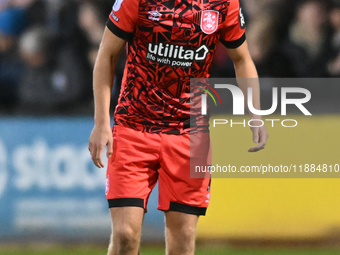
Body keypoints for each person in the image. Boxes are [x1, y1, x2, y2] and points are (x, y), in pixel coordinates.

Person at [88, 0, 268, 254]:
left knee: (183, 239)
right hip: (134, 127)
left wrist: (256, 115)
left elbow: (242, 59)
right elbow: (107, 54)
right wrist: (101, 122)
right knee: (125, 235)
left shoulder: (224, 4)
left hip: (190, 134)